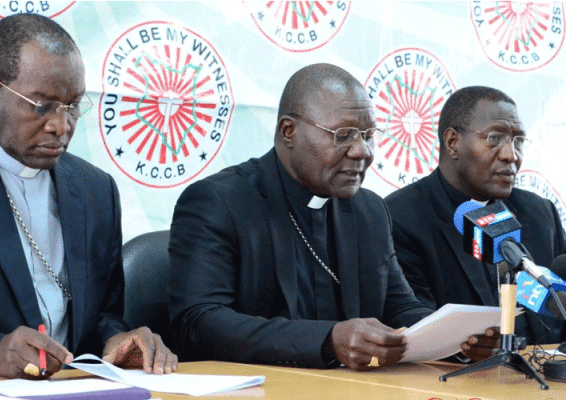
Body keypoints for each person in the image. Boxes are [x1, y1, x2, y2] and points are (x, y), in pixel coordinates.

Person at [168, 64, 497, 370]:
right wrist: (327, 340)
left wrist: (456, 340)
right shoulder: (219, 201)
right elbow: (198, 322)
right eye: (343, 135)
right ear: (288, 131)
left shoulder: (368, 211)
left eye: (368, 136)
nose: (362, 151)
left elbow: (398, 309)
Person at [0, 14, 177, 378]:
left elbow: (101, 319)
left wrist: (119, 340)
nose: (61, 127)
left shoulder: (96, 191)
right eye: (41, 105)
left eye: (73, 106)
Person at [385, 86, 566, 347]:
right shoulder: (401, 217)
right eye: (495, 138)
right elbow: (412, 319)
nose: (511, 155)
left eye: (518, 141)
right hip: (458, 379)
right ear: (452, 142)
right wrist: (468, 346)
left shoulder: (540, 213)